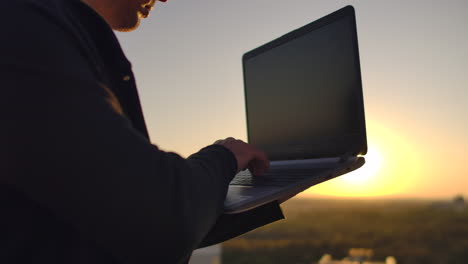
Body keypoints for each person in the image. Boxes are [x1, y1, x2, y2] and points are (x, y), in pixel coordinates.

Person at [0, 0, 286, 263]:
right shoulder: (21, 23)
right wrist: (224, 156)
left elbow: (119, 219)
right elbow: (160, 221)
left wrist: (273, 190)